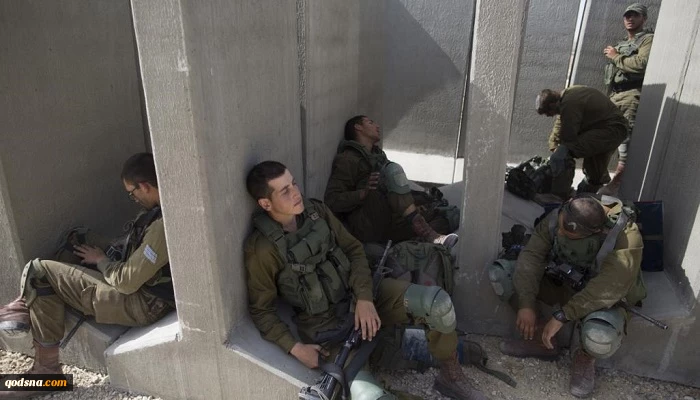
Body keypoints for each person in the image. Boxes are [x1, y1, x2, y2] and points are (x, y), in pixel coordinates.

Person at [245, 161, 486, 400]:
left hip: (362, 296)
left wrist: (364, 298)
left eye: (294, 183)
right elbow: (261, 310)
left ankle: (450, 377)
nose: (296, 193)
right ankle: (401, 351)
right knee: (371, 396)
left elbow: (354, 250)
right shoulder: (263, 250)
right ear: (266, 203)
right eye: (284, 191)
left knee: (438, 304)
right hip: (329, 331)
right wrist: (296, 348)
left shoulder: (316, 212)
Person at [0, 152, 174, 399]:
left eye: (132, 193)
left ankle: (46, 374)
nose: (133, 199)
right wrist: (98, 249)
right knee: (77, 239)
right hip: (145, 293)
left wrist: (102, 261)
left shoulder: (162, 225)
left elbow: (127, 282)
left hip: (144, 303)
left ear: (144, 186)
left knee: (40, 270)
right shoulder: (160, 209)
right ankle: (26, 301)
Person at [487, 195, 646, 398]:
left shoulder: (626, 236)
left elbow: (610, 286)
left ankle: (584, 357)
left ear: (595, 231)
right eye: (560, 228)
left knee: (600, 336)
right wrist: (526, 303)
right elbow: (532, 256)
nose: (559, 232)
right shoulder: (560, 216)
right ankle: (541, 340)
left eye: (568, 234)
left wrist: (564, 315)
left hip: (598, 298)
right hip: (561, 283)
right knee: (501, 275)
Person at [324, 116, 458, 247]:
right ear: (358, 127)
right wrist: (362, 193)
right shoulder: (348, 159)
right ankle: (429, 235)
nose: (377, 126)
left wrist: (421, 200)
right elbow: (331, 200)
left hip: (390, 219)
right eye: (370, 122)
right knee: (392, 169)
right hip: (368, 222)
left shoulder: (378, 156)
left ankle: (412, 243)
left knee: (450, 215)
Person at [537, 86, 628, 200]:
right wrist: (554, 145)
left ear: (552, 105)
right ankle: (584, 198)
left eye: (547, 112)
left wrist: (558, 157)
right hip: (609, 128)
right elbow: (559, 125)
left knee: (563, 154)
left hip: (611, 130)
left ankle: (558, 197)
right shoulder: (568, 96)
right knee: (594, 171)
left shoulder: (569, 103)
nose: (548, 116)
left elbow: (569, 137)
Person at [600, 3, 654, 195]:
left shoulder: (647, 39)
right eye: (627, 15)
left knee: (625, 139)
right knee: (606, 137)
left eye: (635, 15)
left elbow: (641, 64)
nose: (630, 19)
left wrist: (615, 57)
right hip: (615, 95)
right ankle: (598, 179)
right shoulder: (622, 43)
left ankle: (617, 182)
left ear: (643, 18)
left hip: (631, 94)